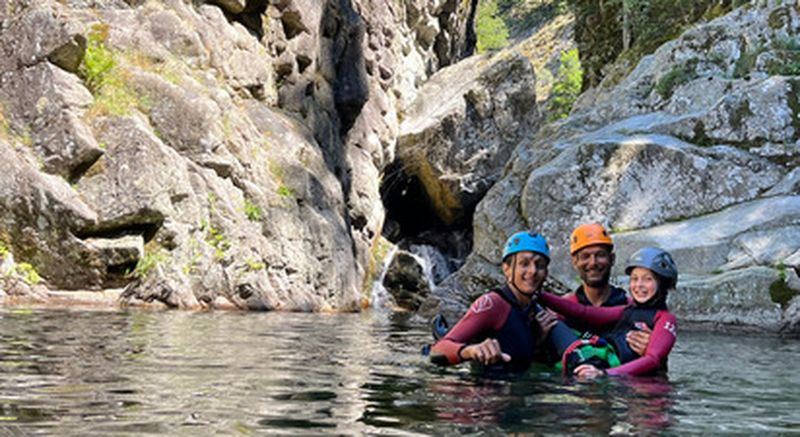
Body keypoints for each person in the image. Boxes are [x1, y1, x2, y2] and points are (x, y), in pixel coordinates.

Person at [539, 247, 679, 378]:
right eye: (634, 279)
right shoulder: (627, 310)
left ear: (663, 283)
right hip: (601, 362)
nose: (639, 285)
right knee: (554, 322)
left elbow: (653, 359)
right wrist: (541, 296)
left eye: (648, 279)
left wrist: (605, 373)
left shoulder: (666, 319)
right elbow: (585, 312)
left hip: (612, 373)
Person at [428, 231, 551, 372]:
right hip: (483, 385)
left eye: (540, 265)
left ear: (546, 273)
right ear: (507, 269)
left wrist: (537, 340)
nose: (533, 271)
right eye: (524, 264)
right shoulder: (493, 304)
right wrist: (471, 351)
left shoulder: (532, 309)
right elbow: (437, 350)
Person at [537, 223, 651, 356]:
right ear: (575, 262)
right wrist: (539, 340)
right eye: (585, 256)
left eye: (600, 255)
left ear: (612, 259)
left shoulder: (632, 309)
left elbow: (656, 362)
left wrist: (651, 347)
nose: (593, 263)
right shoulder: (561, 311)